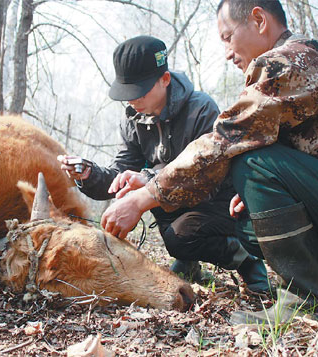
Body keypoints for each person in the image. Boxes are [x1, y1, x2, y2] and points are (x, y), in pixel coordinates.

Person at [100, 1, 318, 323]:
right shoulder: (297, 61)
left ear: (259, 20)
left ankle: (303, 301)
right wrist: (262, 192)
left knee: (251, 162)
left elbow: (225, 142)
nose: (226, 52)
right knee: (250, 223)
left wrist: (141, 198)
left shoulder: (289, 61)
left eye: (227, 37)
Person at [58, 35, 269, 293]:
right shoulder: (133, 119)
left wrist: (148, 180)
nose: (131, 100)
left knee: (180, 236)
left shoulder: (201, 110)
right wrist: (88, 174)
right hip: (172, 205)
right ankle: (188, 259)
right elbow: (121, 172)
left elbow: (207, 180)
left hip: (220, 203)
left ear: (165, 80)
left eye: (138, 91)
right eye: (127, 93)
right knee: (177, 234)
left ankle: (247, 260)